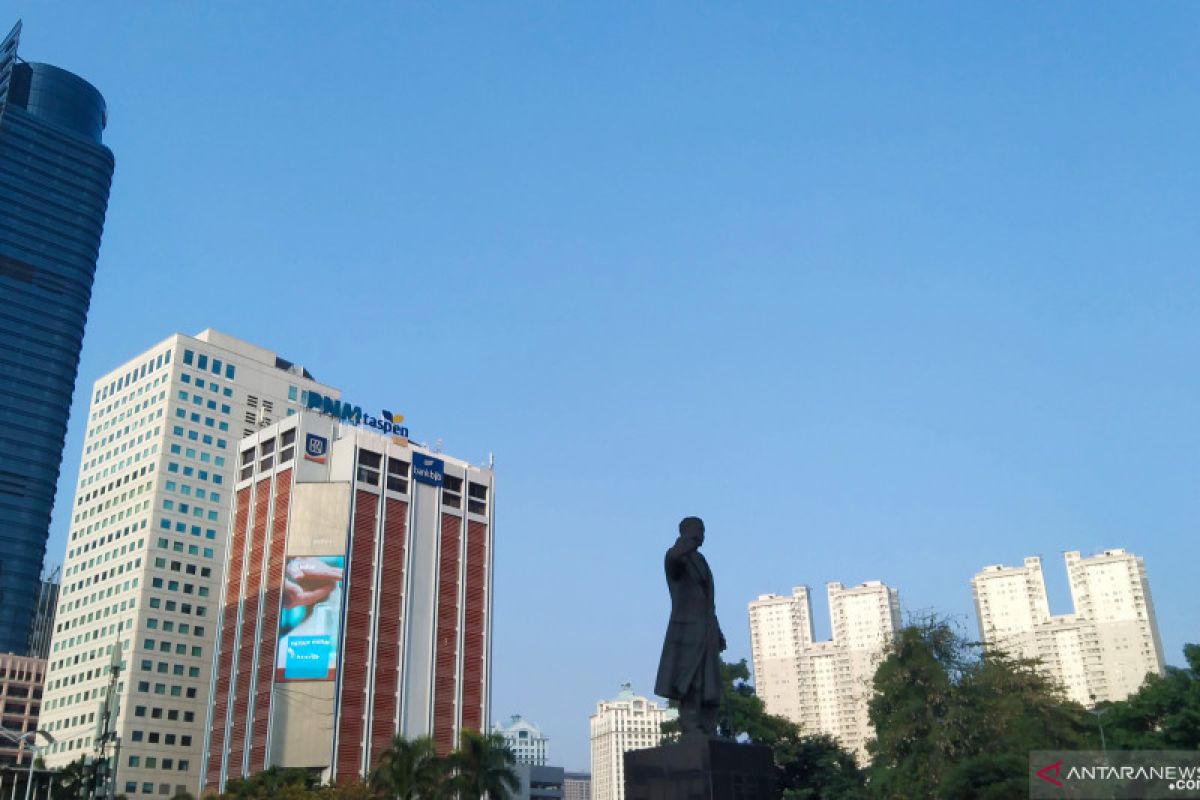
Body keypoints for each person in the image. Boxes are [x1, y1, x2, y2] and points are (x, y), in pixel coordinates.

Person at [654, 516, 726, 736]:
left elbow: (708, 601)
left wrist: (717, 629)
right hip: (685, 628)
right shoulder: (677, 556)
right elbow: (673, 559)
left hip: (706, 627)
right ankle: (691, 725)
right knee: (690, 678)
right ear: (687, 531)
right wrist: (685, 541)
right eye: (698, 529)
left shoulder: (702, 561)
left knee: (709, 680)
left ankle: (708, 726)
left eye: (703, 529)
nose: (702, 533)